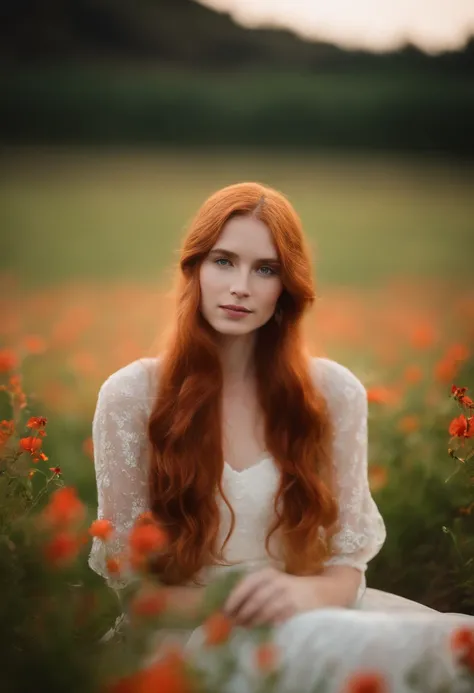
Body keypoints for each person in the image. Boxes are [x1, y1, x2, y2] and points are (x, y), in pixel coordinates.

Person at [89, 182, 474, 692]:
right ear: (194, 269)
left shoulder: (334, 394)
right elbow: (135, 593)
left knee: (449, 647)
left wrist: (298, 599)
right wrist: (238, 601)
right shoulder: (132, 395)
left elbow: (346, 566)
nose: (241, 286)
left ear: (286, 286)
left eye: (265, 269)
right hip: (184, 641)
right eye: (223, 261)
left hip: (314, 621)